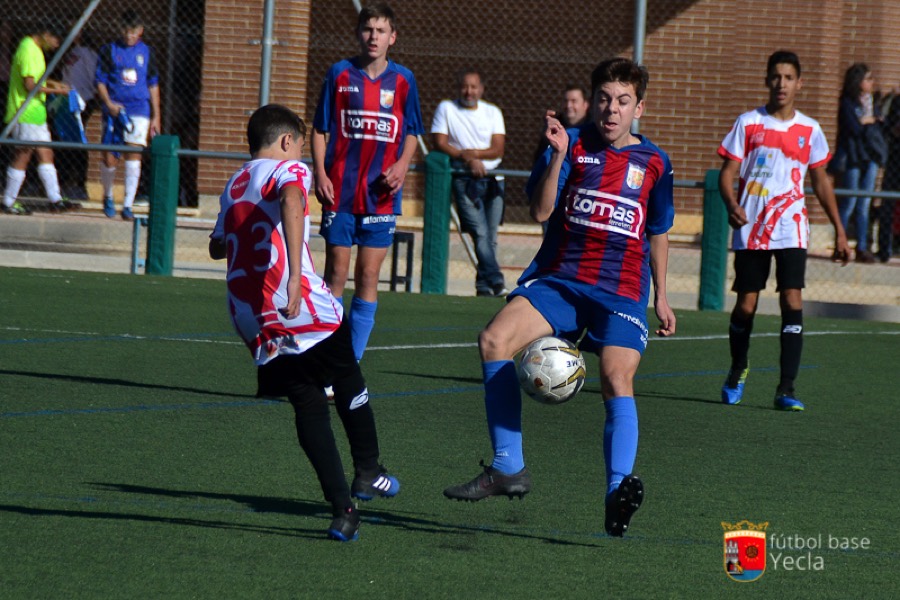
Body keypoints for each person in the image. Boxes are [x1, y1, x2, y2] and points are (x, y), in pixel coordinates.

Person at [443, 58, 677, 539]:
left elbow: (658, 232)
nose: (612, 110)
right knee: (493, 340)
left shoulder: (655, 163)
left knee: (616, 377)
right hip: (561, 281)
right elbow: (541, 210)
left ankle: (616, 491)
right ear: (593, 103)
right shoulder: (571, 144)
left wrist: (663, 296)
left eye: (623, 101)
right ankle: (508, 466)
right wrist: (557, 156)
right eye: (604, 99)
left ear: (639, 108)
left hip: (621, 291)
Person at [208, 104, 400, 543]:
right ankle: (368, 470)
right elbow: (293, 201)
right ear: (286, 142)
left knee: (307, 403)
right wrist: (295, 275)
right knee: (347, 373)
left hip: (250, 315)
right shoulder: (288, 171)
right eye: (297, 144)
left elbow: (217, 246)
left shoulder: (234, 184)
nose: (300, 153)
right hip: (298, 303)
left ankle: (343, 512)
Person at [718, 50, 850, 412]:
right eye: (776, 76)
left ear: (799, 84)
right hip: (752, 228)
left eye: (789, 77)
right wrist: (731, 204)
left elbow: (821, 182)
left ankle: (786, 388)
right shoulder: (748, 123)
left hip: (792, 228)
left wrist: (839, 230)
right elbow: (727, 174)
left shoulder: (810, 130)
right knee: (746, 305)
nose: (782, 83)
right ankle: (737, 369)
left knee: (792, 299)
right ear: (767, 80)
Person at [311, 2, 423, 361]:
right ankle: (327, 357)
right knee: (335, 273)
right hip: (340, 191)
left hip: (381, 196)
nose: (373, 37)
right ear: (358, 33)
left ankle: (350, 363)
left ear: (393, 37)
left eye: (380, 31)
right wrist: (320, 173)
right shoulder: (339, 74)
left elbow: (412, 132)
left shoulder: (403, 80)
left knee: (369, 275)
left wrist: (402, 165)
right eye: (367, 29)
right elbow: (320, 129)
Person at [431, 68, 508, 297]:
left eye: (474, 87)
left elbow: (498, 148)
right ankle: (497, 280)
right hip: (465, 179)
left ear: (481, 89)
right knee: (480, 232)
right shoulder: (446, 108)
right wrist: (467, 160)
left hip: (494, 178)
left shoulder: (493, 112)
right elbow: (440, 142)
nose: (469, 91)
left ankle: (483, 286)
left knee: (490, 237)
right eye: (465, 86)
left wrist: (473, 155)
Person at [95, 9, 161, 221]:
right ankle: (108, 196)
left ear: (140, 30)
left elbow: (153, 84)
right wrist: (108, 103)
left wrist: (156, 115)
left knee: (134, 154)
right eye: (125, 30)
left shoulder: (147, 52)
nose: (129, 35)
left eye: (133, 31)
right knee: (110, 157)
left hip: (139, 110)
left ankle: (128, 205)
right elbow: (100, 81)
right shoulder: (109, 50)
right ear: (120, 28)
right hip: (115, 110)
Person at [2, 22, 72, 215]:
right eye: (56, 40)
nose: (57, 45)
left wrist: (55, 84)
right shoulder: (28, 49)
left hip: (36, 114)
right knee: (23, 155)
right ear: (46, 34)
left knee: (46, 153)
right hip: (24, 112)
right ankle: (8, 201)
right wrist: (57, 92)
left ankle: (55, 199)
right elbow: (30, 85)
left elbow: (38, 78)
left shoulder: (36, 50)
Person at [834, 63, 881, 263]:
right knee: (849, 202)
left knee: (864, 203)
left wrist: (869, 120)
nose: (871, 83)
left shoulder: (873, 102)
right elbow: (854, 127)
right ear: (858, 81)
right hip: (853, 157)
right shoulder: (848, 103)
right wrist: (868, 121)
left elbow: (878, 125)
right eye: (867, 79)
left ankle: (862, 246)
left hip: (870, 156)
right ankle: (840, 244)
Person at [57, 31, 98, 201]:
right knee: (65, 139)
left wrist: (88, 97)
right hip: (67, 100)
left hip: (82, 100)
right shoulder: (69, 51)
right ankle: (65, 182)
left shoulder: (88, 53)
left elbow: (94, 77)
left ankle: (80, 184)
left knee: (78, 139)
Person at [876, 88, 900, 262]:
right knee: (888, 204)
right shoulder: (897, 102)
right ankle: (884, 249)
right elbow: (889, 127)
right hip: (895, 160)